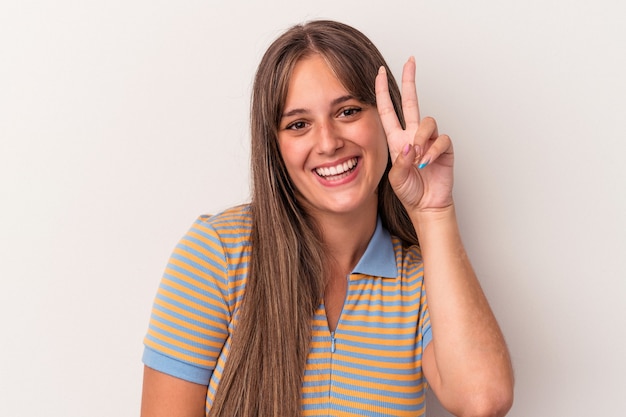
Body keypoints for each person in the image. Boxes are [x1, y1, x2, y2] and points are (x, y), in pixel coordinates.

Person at [140, 20, 514, 417]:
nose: (329, 142)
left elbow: (482, 401)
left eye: (348, 111)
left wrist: (434, 213)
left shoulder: (422, 282)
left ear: (387, 124)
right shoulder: (217, 254)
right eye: (299, 124)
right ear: (276, 147)